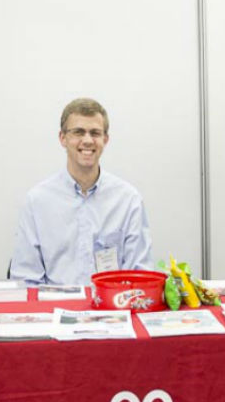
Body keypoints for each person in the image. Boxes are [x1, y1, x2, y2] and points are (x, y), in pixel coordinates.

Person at [9, 97, 152, 285]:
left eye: (95, 133)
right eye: (78, 132)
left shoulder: (128, 200)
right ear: (63, 138)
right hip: (53, 310)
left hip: (112, 308)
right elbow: (26, 279)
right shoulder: (37, 201)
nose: (87, 140)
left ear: (105, 139)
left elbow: (140, 275)